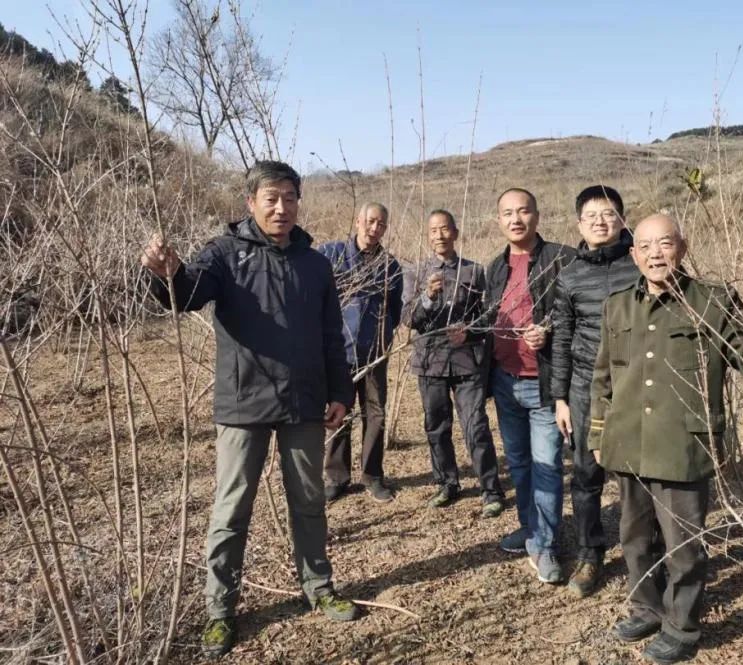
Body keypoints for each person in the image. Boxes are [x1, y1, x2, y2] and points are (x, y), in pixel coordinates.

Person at [141, 160, 359, 660]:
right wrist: (165, 272)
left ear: (298, 201)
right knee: (231, 507)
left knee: (308, 499)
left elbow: (332, 337)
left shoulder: (315, 263)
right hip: (243, 402)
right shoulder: (224, 252)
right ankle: (221, 609)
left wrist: (340, 393)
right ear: (251, 203)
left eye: (289, 197)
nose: (281, 207)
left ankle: (318, 584)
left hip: (304, 400)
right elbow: (188, 293)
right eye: (271, 198)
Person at [590, 213, 743, 664]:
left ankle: (682, 628)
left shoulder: (711, 300)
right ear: (633, 255)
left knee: (683, 545)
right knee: (634, 538)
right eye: (644, 247)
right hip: (628, 442)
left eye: (664, 244)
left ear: (681, 248)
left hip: (682, 445)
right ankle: (647, 607)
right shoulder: (617, 305)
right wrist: (597, 433)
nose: (654, 254)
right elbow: (603, 378)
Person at [551, 185, 639, 598]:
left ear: (623, 218)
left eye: (609, 214)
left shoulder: (643, 263)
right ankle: (590, 554)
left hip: (639, 384)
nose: (601, 222)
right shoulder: (569, 276)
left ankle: (647, 550)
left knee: (639, 474)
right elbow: (562, 339)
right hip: (586, 387)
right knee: (586, 475)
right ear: (579, 224)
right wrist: (561, 399)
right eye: (592, 216)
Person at [484, 187, 576, 584]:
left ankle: (546, 545)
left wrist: (550, 333)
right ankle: (530, 528)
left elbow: (577, 314)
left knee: (547, 466)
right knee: (519, 464)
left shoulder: (562, 258)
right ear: (498, 220)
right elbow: (488, 318)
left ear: (537, 215)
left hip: (544, 383)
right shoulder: (494, 267)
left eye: (523, 211)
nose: (516, 219)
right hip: (505, 381)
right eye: (508, 213)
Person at [403, 209, 505, 517]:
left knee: (475, 425)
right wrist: (427, 298)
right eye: (433, 230)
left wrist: (470, 331)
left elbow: (489, 316)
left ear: (455, 233)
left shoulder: (474, 272)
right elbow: (408, 318)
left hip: (466, 362)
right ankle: (447, 483)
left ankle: (490, 489)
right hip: (430, 362)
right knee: (436, 425)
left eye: (444, 229)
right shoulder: (416, 273)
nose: (439, 235)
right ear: (428, 236)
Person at [319, 203, 403, 503]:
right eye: (370, 221)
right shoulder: (332, 255)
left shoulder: (390, 266)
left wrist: (382, 340)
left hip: (374, 353)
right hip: (338, 353)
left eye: (381, 224)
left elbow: (395, 310)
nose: (374, 228)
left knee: (375, 414)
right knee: (337, 414)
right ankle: (336, 476)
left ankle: (373, 476)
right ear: (358, 221)